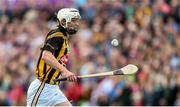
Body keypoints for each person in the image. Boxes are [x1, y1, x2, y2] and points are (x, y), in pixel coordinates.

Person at [26, 8, 81, 106]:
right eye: (73, 20)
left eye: (77, 20)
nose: (76, 23)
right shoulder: (57, 34)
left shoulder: (64, 38)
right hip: (42, 88)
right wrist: (66, 71)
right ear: (63, 21)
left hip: (53, 88)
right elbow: (46, 55)